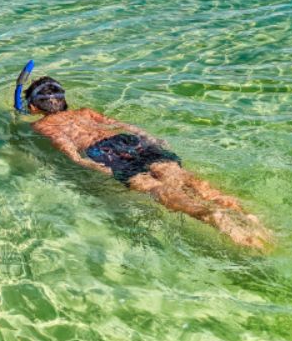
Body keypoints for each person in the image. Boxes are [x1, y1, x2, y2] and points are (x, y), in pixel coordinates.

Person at [16, 67, 270, 250]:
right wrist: (151, 138)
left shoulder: (43, 126)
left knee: (157, 189)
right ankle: (246, 216)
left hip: (105, 153)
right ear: (63, 101)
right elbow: (122, 124)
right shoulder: (86, 112)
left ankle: (208, 215)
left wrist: (89, 164)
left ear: (34, 108)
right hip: (131, 141)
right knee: (188, 180)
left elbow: (68, 150)